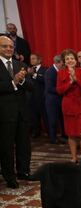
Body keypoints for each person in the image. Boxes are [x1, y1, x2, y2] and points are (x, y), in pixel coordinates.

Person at [0, 35, 33, 189]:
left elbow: (32, 86)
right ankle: (9, 176)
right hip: (4, 114)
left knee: (24, 144)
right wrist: (13, 82)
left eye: (11, 46)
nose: (8, 49)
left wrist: (22, 80)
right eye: (5, 46)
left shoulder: (20, 64)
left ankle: (23, 171)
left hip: (22, 112)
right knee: (6, 147)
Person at [57, 49, 81, 163]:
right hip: (69, 106)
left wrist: (76, 80)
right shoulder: (60, 73)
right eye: (67, 59)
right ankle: (74, 157)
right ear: (64, 61)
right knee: (71, 134)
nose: (70, 60)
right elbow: (59, 90)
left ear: (76, 60)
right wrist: (70, 83)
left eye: (72, 58)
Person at [44, 55, 66, 144]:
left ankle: (64, 135)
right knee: (52, 120)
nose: (64, 65)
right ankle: (53, 138)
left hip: (60, 99)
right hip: (52, 100)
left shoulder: (61, 71)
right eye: (63, 63)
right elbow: (50, 88)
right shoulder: (50, 72)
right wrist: (63, 90)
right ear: (58, 63)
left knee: (62, 119)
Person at [28, 53, 47, 138]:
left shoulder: (45, 69)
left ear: (39, 60)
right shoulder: (28, 70)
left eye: (33, 58)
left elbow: (44, 80)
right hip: (31, 97)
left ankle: (49, 133)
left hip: (42, 97)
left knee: (45, 117)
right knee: (34, 117)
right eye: (31, 58)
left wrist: (34, 74)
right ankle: (36, 133)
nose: (31, 60)